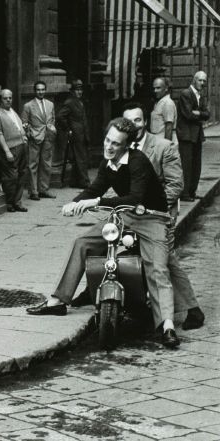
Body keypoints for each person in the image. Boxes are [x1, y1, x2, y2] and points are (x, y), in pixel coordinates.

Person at [26, 117, 181, 348]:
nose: (109, 146)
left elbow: (134, 198)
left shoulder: (138, 161)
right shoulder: (107, 163)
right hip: (124, 216)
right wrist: (75, 203)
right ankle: (58, 301)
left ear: (127, 145)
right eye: (108, 140)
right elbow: (95, 188)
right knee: (82, 242)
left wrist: (96, 202)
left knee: (158, 268)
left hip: (152, 218)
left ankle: (167, 326)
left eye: (116, 143)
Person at [122, 103, 205, 330]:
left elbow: (175, 185)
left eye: (138, 120)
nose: (133, 125)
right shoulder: (122, 146)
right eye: (128, 121)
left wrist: (150, 206)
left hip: (160, 213)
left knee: (165, 259)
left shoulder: (163, 146)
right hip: (133, 213)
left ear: (145, 122)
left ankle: (193, 310)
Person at [176, 71, 210, 202]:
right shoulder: (186, 93)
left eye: (204, 81)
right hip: (186, 135)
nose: (202, 83)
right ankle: (185, 194)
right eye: (200, 80)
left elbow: (207, 114)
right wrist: (201, 114)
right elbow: (188, 114)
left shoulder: (200, 95)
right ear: (194, 80)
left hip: (196, 135)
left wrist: (199, 113)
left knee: (196, 165)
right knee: (186, 165)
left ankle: (192, 192)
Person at [0, 89, 28, 213]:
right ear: (0, 99)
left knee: (22, 174)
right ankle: (9, 202)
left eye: (10, 98)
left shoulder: (12, 111)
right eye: (5, 98)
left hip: (22, 146)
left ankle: (17, 202)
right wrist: (6, 151)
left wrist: (24, 136)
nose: (8, 100)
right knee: (11, 177)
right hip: (10, 148)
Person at [21, 80, 57, 200]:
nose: (41, 92)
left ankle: (44, 189)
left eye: (42, 89)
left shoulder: (50, 104)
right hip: (34, 138)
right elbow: (24, 123)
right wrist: (30, 134)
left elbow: (52, 119)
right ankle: (34, 191)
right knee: (33, 165)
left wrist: (52, 129)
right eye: (38, 90)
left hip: (48, 137)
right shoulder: (28, 106)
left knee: (46, 164)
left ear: (45, 90)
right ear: (35, 91)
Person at [57, 79, 91, 188]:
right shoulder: (70, 102)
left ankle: (75, 182)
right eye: (77, 90)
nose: (79, 92)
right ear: (72, 91)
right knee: (81, 158)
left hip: (82, 133)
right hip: (76, 134)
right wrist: (68, 129)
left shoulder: (80, 101)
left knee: (78, 158)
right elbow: (60, 116)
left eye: (81, 89)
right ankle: (85, 182)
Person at [150, 77, 177, 145]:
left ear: (166, 88)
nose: (155, 91)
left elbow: (169, 127)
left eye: (158, 88)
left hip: (163, 140)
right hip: (157, 140)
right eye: (154, 88)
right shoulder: (159, 102)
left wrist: (167, 146)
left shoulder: (167, 103)